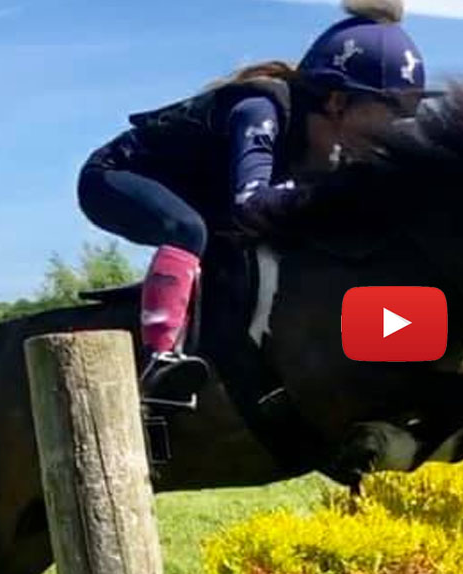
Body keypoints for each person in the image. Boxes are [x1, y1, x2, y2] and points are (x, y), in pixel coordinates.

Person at [77, 0, 429, 386]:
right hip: (112, 178)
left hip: (202, 196)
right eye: (395, 107)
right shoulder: (259, 110)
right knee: (188, 231)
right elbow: (251, 206)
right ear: (337, 102)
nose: (402, 124)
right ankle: (160, 360)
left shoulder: (324, 148)